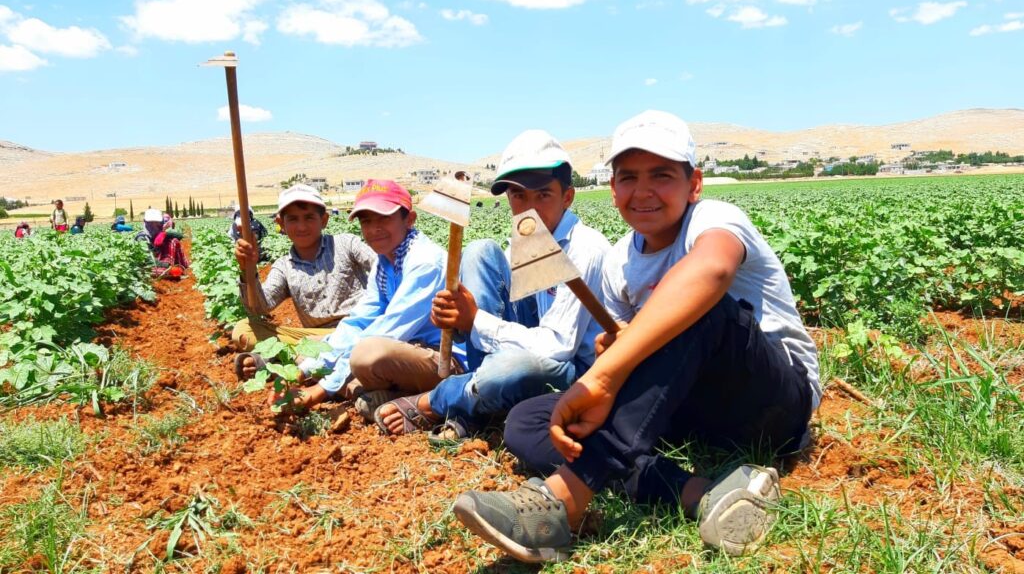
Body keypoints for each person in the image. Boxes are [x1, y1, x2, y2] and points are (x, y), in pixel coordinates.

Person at [452, 110, 821, 562]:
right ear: (613, 189)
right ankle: (699, 493)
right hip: (690, 408)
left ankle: (564, 499)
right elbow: (626, 349)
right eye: (629, 177)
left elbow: (712, 270)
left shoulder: (714, 218)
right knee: (529, 419)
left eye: (661, 175)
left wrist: (607, 372)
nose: (643, 191)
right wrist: (615, 348)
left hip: (773, 405)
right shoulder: (619, 263)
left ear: (694, 184)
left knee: (695, 307)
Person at [374, 131, 610, 444]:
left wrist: (474, 319)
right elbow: (507, 308)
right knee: (480, 251)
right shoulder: (531, 236)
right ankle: (478, 400)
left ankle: (438, 401)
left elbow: (559, 346)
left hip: (574, 366)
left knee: (509, 368)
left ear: (567, 197)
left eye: (543, 195)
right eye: (518, 196)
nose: (529, 208)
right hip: (537, 340)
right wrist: (457, 320)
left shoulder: (585, 248)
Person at [238, 180, 463, 414]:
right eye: (366, 221)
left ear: (410, 219)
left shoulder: (422, 262)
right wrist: (301, 373)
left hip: (441, 357)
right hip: (393, 344)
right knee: (326, 352)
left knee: (364, 355)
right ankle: (377, 393)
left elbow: (388, 330)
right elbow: (358, 321)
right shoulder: (386, 261)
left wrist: (320, 389)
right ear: (281, 224)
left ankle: (424, 397)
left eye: (384, 218)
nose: (374, 229)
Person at [231, 184, 374, 352]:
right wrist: (248, 270)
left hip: (360, 326)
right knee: (243, 330)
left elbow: (379, 265)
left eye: (309, 217)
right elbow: (259, 308)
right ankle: (329, 348)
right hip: (317, 336)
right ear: (281, 224)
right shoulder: (284, 266)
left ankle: (304, 353)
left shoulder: (346, 244)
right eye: (293, 219)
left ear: (324, 220)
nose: (301, 227)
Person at [136, 208, 190, 277]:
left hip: (161, 261)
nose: (154, 226)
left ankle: (182, 267)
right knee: (148, 271)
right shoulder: (142, 238)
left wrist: (165, 234)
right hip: (149, 265)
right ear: (145, 222)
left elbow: (181, 236)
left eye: (156, 223)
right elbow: (148, 260)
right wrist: (166, 265)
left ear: (161, 223)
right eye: (151, 223)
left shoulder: (160, 233)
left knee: (173, 241)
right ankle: (170, 271)